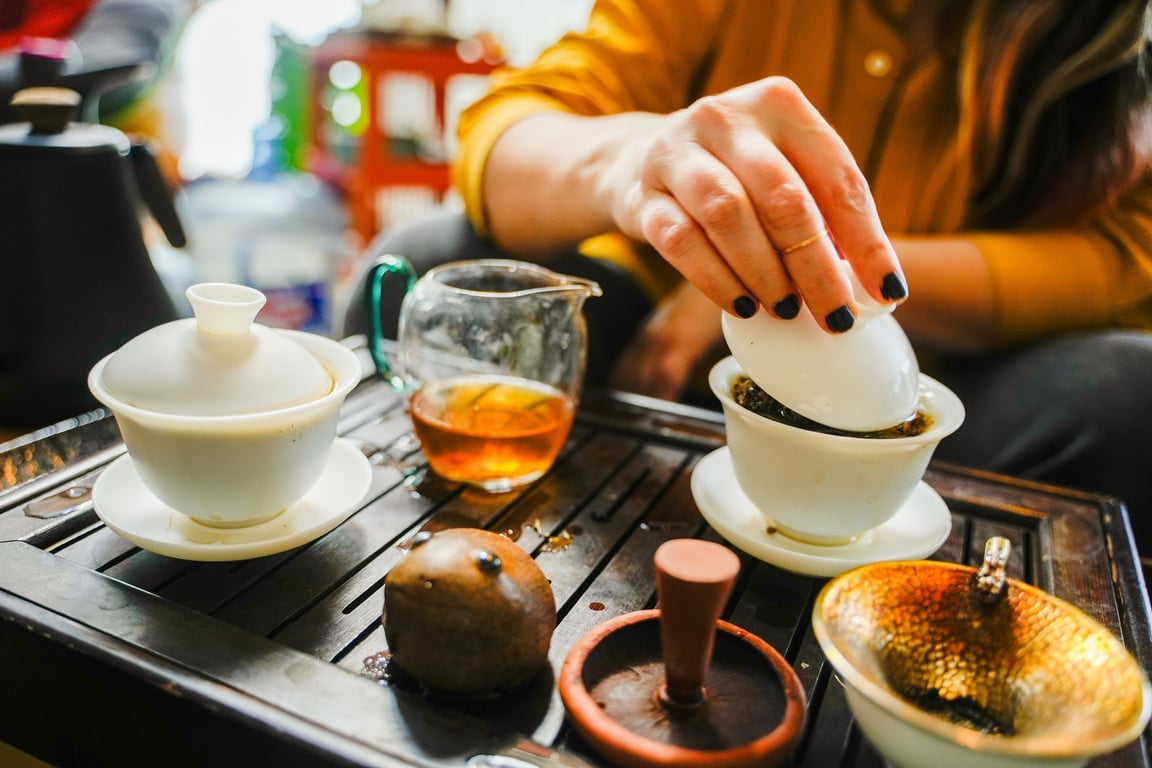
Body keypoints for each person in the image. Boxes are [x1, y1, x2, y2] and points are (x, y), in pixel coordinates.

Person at [340, 0, 1152, 554]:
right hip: (656, 352)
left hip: (947, 383)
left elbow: (1121, 260)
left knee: (1128, 391)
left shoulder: (1102, 47)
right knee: (424, 255)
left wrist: (812, 289)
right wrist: (633, 165)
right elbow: (508, 131)